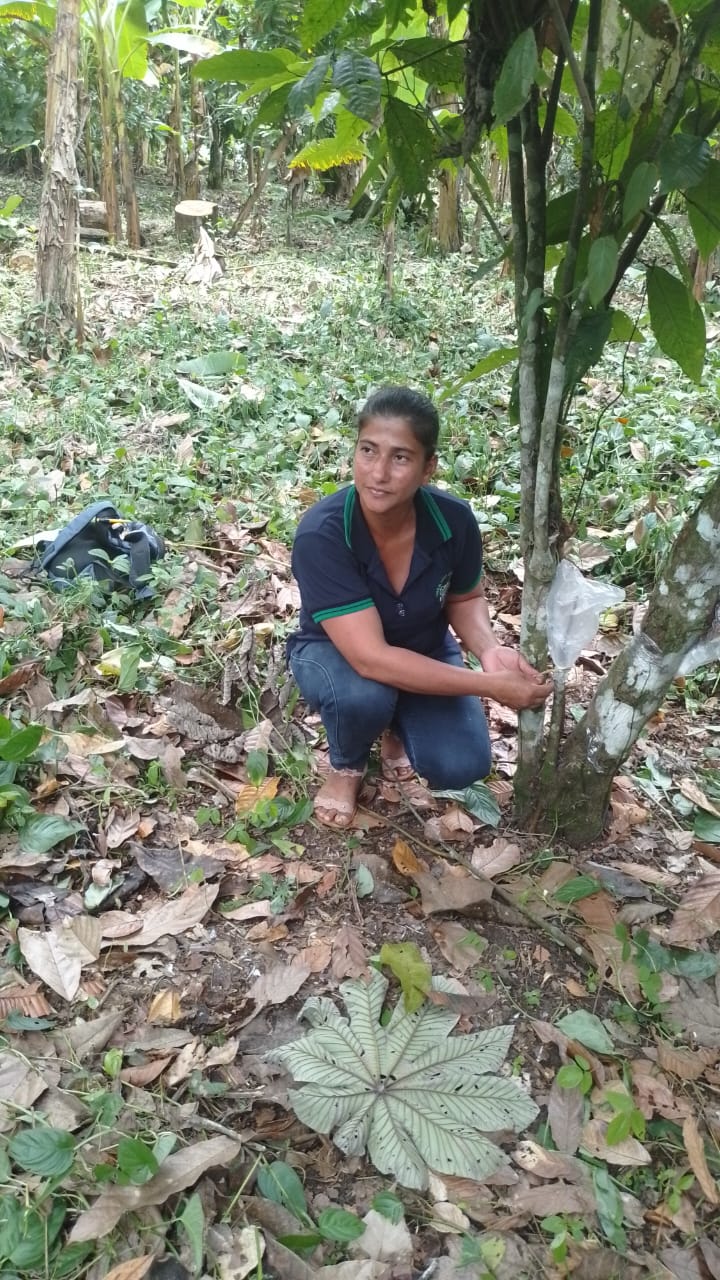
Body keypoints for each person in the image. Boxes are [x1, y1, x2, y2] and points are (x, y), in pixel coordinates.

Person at [287, 386, 552, 828]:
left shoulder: (453, 519)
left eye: (401, 457)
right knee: (363, 695)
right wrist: (489, 685)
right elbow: (370, 658)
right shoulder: (324, 534)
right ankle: (347, 765)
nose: (379, 473)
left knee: (461, 765)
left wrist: (488, 650)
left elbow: (464, 597)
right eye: (368, 450)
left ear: (429, 467)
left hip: (423, 646)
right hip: (336, 654)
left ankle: (396, 727)